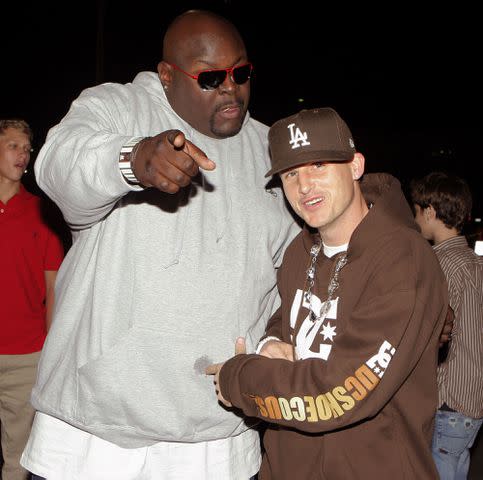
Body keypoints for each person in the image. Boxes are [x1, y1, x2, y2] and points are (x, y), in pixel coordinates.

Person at [20, 9, 299, 480]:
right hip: (95, 437)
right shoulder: (119, 107)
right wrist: (133, 161)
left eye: (242, 73)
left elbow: (306, 265)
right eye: (211, 77)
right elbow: (58, 163)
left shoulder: (271, 151)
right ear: (166, 77)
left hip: (218, 439)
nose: (231, 88)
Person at [206, 107, 450, 479]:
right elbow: (290, 313)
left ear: (355, 165)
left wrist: (239, 379)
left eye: (319, 165)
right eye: (291, 173)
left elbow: (338, 395)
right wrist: (273, 340)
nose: (304, 186)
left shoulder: (403, 259)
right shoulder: (299, 252)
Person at [0, 119, 64, 480]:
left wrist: (50, 351)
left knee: (17, 458)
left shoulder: (42, 211)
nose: (23, 155)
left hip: (26, 358)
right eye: (13, 146)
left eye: (27, 148)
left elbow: (53, 286)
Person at [410, 171, 483, 480]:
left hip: (449, 400)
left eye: (416, 212)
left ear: (430, 212)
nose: (414, 220)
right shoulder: (475, 262)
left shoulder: (440, 265)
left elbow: (433, 332)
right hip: (472, 398)